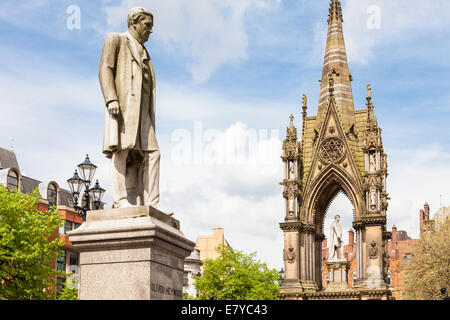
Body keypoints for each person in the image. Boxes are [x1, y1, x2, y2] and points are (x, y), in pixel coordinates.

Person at [99, 7, 169, 214]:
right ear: (134, 22)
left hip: (143, 112)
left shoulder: (146, 52)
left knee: (153, 154)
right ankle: (121, 200)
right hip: (123, 108)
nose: (151, 31)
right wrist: (111, 98)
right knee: (121, 151)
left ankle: (152, 203)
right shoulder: (116, 39)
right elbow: (105, 68)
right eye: (148, 25)